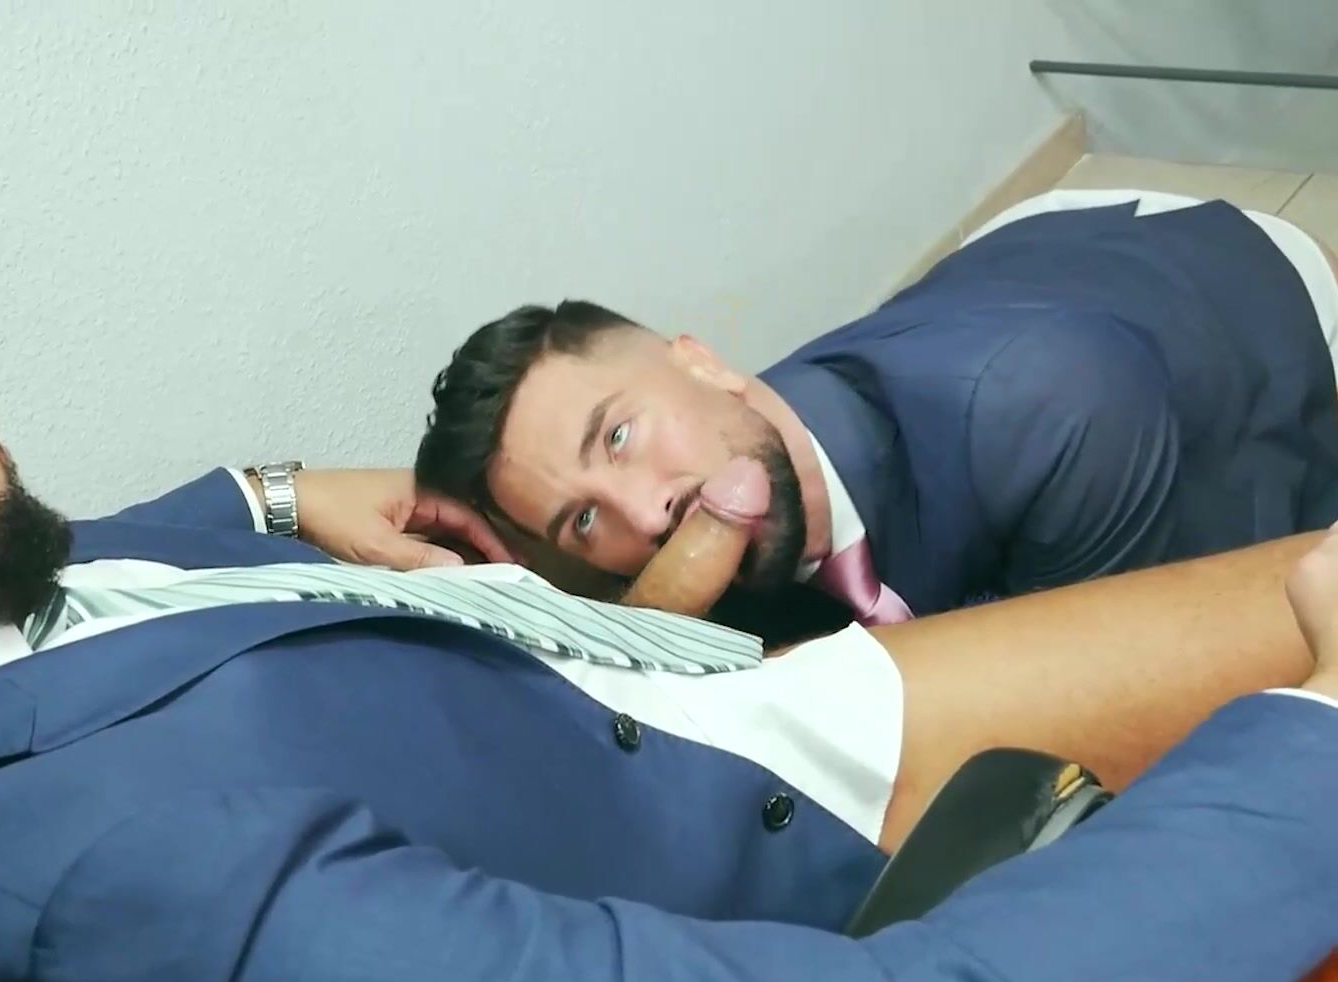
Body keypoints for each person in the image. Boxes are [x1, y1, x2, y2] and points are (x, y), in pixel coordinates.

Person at [0, 90, 1332, 982]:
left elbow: (75, 584)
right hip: (794, 820)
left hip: (678, 705)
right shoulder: (140, 902)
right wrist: (1302, 750)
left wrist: (264, 490)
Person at [414, 192, 1338, 641]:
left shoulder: (1051, 409)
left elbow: (1096, 694)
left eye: (618, 437)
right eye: (583, 520)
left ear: (700, 361)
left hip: (1227, 293)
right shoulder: (699, 506)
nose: (645, 513)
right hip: (1008, 283)